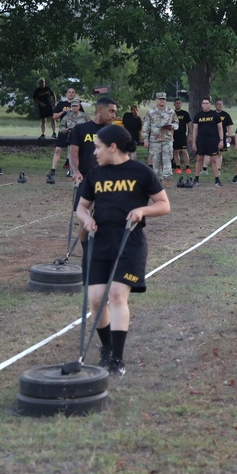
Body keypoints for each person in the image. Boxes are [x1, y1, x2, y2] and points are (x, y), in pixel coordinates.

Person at [76, 123, 170, 376]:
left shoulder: (141, 172)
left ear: (112, 147)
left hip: (129, 242)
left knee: (117, 294)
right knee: (96, 299)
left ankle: (117, 358)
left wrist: (142, 210)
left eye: (97, 147)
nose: (94, 152)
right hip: (99, 241)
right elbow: (82, 206)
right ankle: (106, 348)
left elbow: (163, 204)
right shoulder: (96, 174)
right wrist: (86, 219)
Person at [69, 96, 118, 187]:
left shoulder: (113, 131)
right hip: (84, 179)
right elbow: (73, 154)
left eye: (114, 112)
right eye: (111, 111)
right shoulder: (80, 129)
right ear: (100, 110)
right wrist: (76, 172)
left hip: (107, 182)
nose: (114, 116)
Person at [49, 100, 89, 183]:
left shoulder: (84, 116)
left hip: (82, 138)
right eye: (73, 106)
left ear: (79, 107)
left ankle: (83, 170)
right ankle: (72, 172)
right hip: (71, 137)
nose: (74, 108)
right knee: (71, 154)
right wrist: (64, 130)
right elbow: (61, 126)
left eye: (76, 106)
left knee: (83, 154)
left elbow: (90, 125)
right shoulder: (67, 116)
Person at [143, 93, 179, 181]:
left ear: (166, 100)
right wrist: (145, 140)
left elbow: (177, 123)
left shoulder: (171, 111)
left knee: (167, 159)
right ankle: (157, 179)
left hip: (167, 139)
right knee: (156, 160)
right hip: (154, 140)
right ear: (156, 100)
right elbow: (146, 127)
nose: (162, 100)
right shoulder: (150, 112)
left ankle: (167, 178)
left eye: (163, 99)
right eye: (160, 99)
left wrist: (172, 126)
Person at [190, 98, 224, 186]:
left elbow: (220, 128)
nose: (205, 105)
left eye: (207, 103)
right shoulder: (198, 115)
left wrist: (221, 140)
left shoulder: (215, 115)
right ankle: (196, 179)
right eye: (203, 103)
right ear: (201, 105)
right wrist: (194, 142)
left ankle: (217, 180)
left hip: (213, 140)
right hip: (201, 140)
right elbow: (195, 129)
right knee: (199, 159)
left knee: (213, 160)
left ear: (210, 104)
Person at [51, 87, 80, 174]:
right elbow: (54, 117)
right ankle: (53, 170)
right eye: (69, 92)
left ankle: (72, 171)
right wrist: (63, 112)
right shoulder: (61, 104)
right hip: (63, 130)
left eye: (73, 92)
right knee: (58, 150)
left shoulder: (78, 105)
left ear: (74, 94)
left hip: (74, 131)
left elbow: (82, 117)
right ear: (66, 94)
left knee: (72, 151)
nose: (71, 93)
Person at [172, 98, 192, 174]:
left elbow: (189, 125)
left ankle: (187, 167)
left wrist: (190, 134)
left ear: (181, 104)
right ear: (174, 104)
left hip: (182, 135)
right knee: (176, 151)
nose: (178, 104)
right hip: (174, 135)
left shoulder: (185, 113)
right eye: (176, 103)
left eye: (179, 103)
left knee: (184, 151)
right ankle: (178, 167)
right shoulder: (172, 113)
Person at [214, 99, 234, 172]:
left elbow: (230, 126)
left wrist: (229, 136)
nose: (219, 106)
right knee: (210, 153)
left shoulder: (226, 115)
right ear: (215, 105)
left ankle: (218, 169)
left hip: (222, 136)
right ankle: (205, 168)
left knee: (219, 152)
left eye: (221, 104)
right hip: (212, 135)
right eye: (218, 104)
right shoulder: (212, 114)